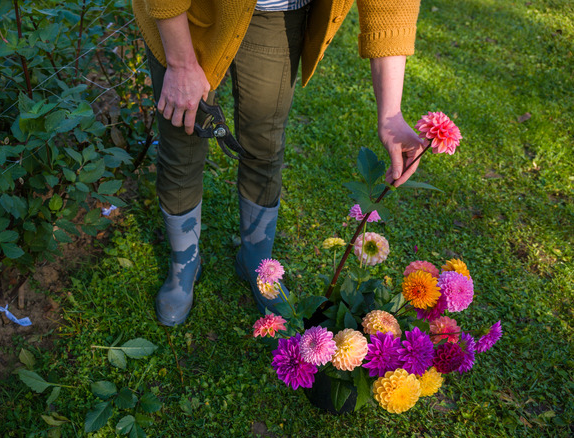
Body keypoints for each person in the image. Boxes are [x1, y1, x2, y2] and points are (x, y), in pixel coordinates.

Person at [132, 0, 426, 326]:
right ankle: (183, 265)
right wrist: (180, 65)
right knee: (181, 144)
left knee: (264, 146)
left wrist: (390, 114)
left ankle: (256, 263)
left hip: (278, 14)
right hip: (187, 13)